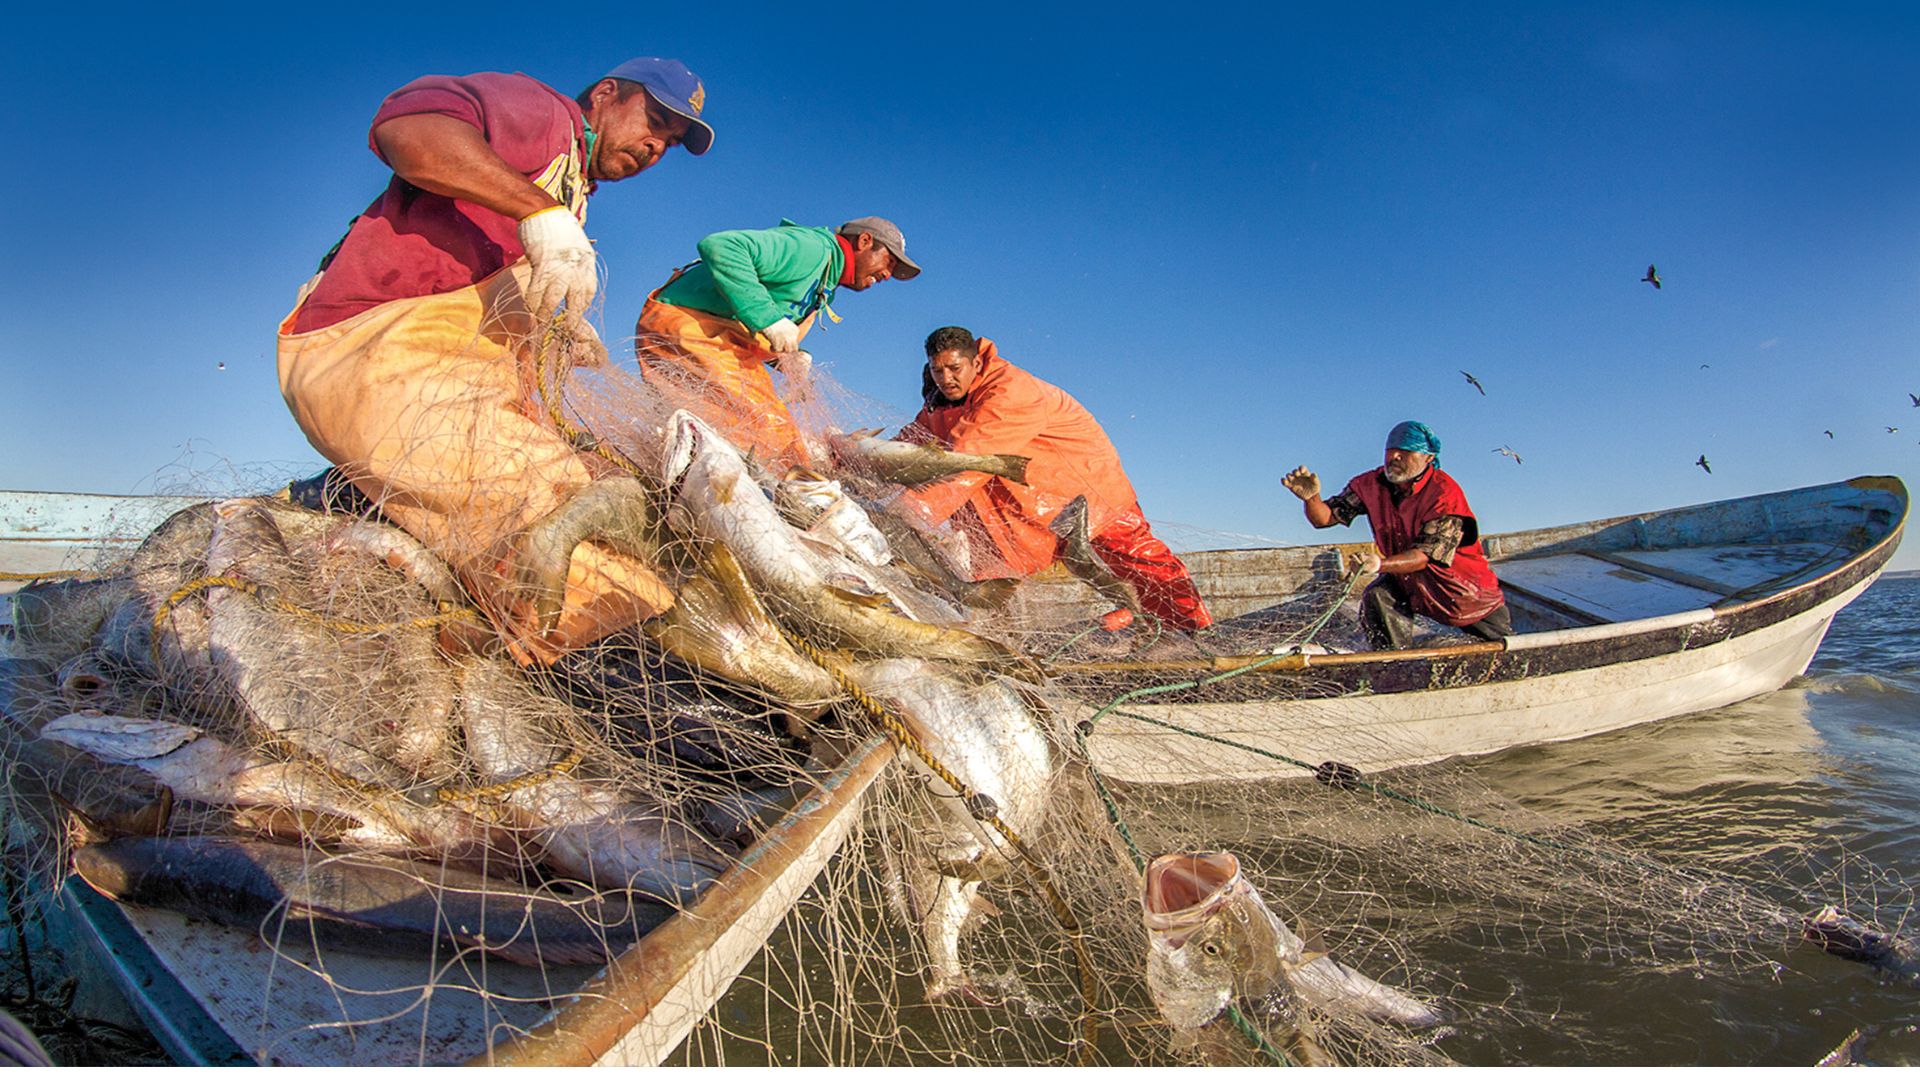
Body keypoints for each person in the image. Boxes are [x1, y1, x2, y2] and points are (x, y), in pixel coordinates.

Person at [276, 58, 715, 666]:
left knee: (601, 501)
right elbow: (408, 128)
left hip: (455, 374)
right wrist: (539, 211)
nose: (655, 146)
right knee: (588, 565)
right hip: (382, 352)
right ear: (606, 94)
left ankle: (356, 501)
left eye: (670, 142)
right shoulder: (544, 115)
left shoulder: (572, 190)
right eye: (656, 121)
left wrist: (555, 325)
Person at [886, 327, 1213, 634]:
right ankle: (1129, 621)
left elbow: (970, 459)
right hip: (1025, 505)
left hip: (1084, 487)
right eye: (937, 370)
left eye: (954, 368)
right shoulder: (939, 403)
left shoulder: (1009, 392)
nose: (946, 378)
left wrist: (907, 512)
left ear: (976, 363)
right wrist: (859, 461)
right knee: (993, 573)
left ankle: (1189, 630)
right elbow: (911, 446)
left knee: (1135, 558)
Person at [635, 217, 918, 466]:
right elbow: (722, 245)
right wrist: (769, 319)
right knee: (768, 434)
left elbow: (755, 323)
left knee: (765, 435)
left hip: (719, 339)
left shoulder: (826, 282)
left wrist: (787, 359)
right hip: (686, 324)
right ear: (864, 241)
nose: (887, 275)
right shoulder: (812, 249)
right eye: (889, 262)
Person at [1281, 420, 1511, 650]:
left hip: (1462, 590)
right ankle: (1391, 660)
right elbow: (1324, 518)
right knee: (1378, 595)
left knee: (1501, 649)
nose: (1395, 457)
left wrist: (1379, 564)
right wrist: (1311, 498)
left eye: (1406, 452)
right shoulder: (1370, 484)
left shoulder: (1444, 494)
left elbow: (1425, 556)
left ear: (1428, 458)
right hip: (1407, 581)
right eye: (1390, 451)